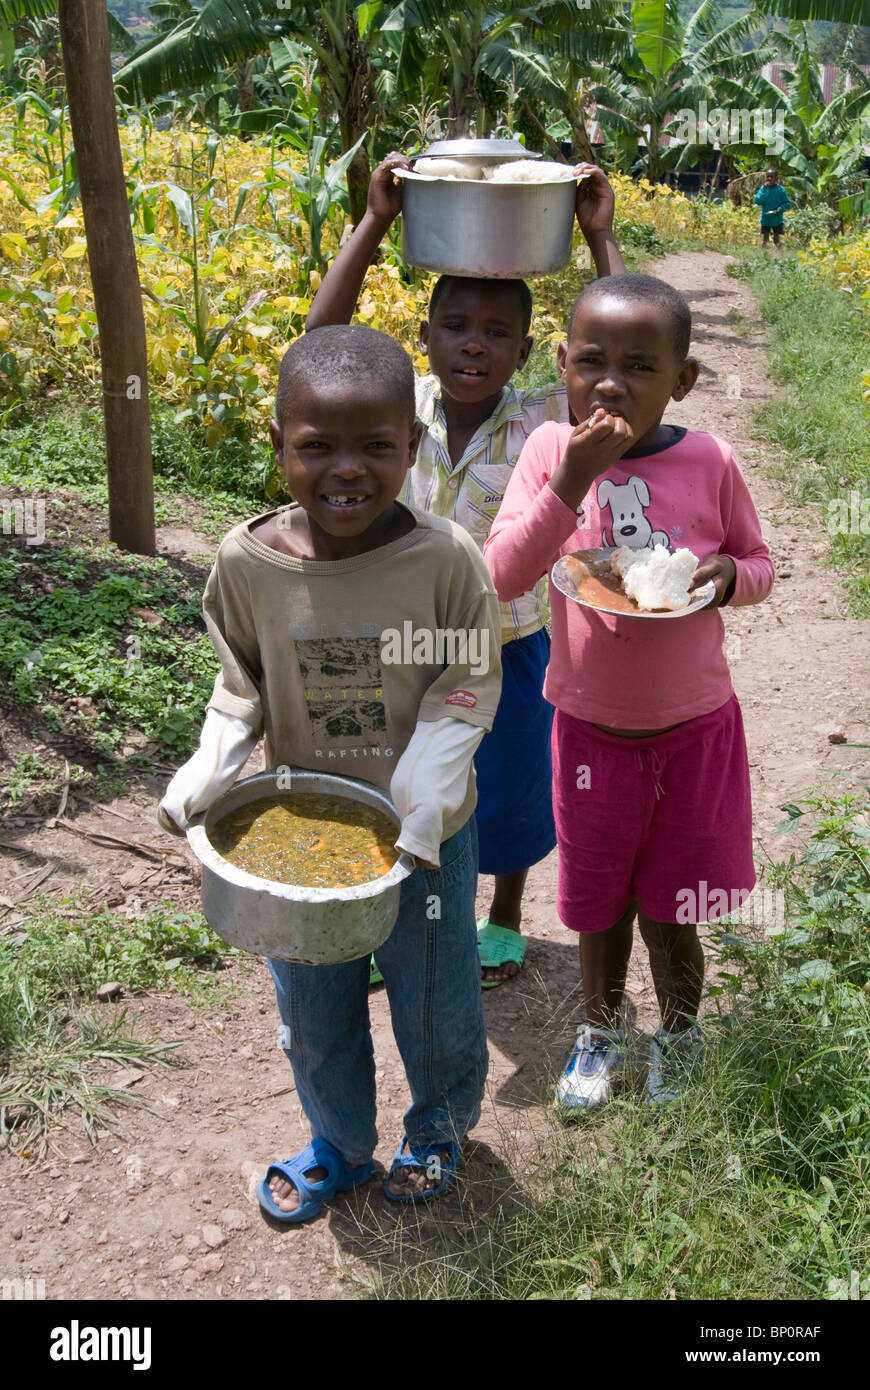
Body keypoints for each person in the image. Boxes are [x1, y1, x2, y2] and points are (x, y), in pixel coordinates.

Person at [158, 325, 502, 1219]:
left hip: (427, 840)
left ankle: (436, 1129)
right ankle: (339, 1145)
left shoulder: (443, 562)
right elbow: (242, 683)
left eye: (376, 447)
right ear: (277, 443)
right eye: (316, 447)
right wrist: (212, 766)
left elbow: (464, 688)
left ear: (412, 447)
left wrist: (420, 805)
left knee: (435, 1000)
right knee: (312, 1007)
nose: (346, 470)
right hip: (300, 837)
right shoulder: (250, 563)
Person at [307, 151, 626, 987]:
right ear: (425, 338)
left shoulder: (545, 423)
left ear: (528, 352)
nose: (473, 346)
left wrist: (600, 237)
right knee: (391, 775)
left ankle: (503, 915)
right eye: (455, 327)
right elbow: (321, 347)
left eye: (496, 333)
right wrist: (376, 221)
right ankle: (391, 912)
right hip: (398, 636)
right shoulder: (394, 406)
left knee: (511, 783)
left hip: (510, 641)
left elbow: (621, 368)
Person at [483, 274, 774, 1109]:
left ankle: (679, 1035)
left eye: (640, 366)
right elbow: (505, 572)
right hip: (588, 733)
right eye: (591, 361)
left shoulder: (709, 460)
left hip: (694, 732)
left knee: (676, 904)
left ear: (680, 381)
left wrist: (724, 580)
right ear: (563, 363)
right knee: (597, 903)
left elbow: (759, 563)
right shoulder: (547, 453)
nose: (610, 383)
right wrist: (570, 482)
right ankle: (601, 1031)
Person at [754, 168, 790, 248]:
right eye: (767, 176)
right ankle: (764, 256)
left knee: (776, 239)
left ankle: (781, 256)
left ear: (776, 178)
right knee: (765, 239)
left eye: (772, 177)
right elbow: (757, 201)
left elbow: (786, 203)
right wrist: (763, 188)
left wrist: (781, 208)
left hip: (777, 219)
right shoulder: (763, 189)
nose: (769, 179)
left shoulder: (781, 190)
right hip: (766, 219)